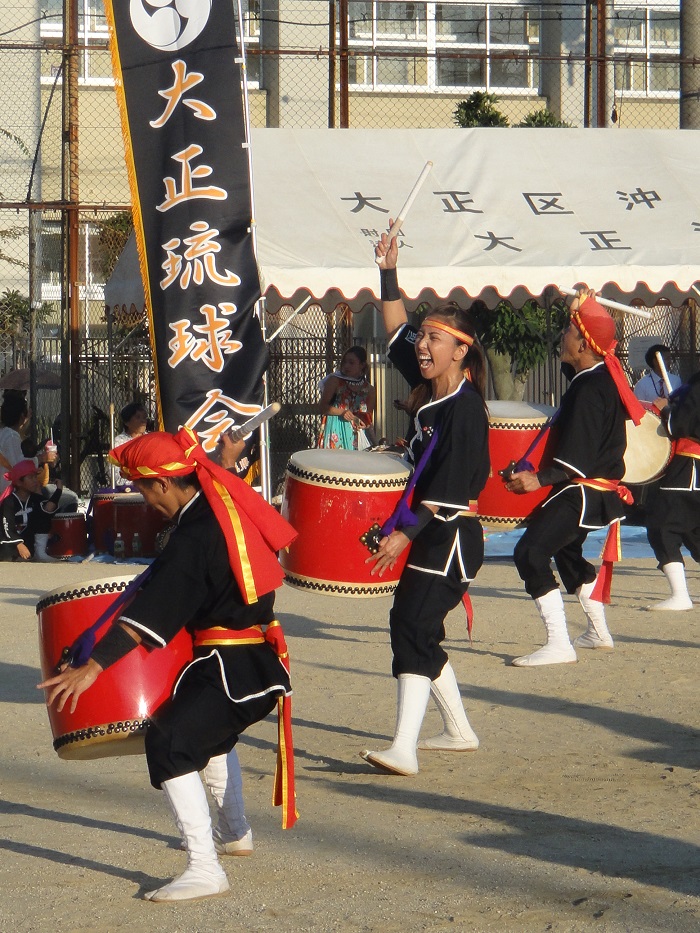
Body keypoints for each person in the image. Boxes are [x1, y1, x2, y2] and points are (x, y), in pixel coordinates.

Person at [38, 427, 298, 902]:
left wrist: (92, 666)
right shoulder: (217, 503)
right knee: (209, 733)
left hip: (233, 665)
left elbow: (152, 615)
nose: (144, 500)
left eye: (141, 488)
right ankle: (236, 834)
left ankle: (205, 868)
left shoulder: (196, 532)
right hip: (243, 659)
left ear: (163, 484)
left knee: (171, 740)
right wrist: (223, 456)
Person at [359, 225, 490, 777]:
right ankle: (458, 730)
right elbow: (394, 331)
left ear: (462, 351)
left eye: (435, 339)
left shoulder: (464, 409)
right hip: (432, 532)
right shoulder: (435, 394)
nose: (422, 346)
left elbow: (452, 489)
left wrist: (403, 533)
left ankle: (404, 749)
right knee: (414, 625)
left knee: (410, 623)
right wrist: (389, 268)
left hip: (452, 536)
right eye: (424, 338)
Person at [505, 290, 646, 665]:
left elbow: (579, 455)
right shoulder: (598, 377)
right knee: (567, 551)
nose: (562, 336)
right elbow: (571, 368)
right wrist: (579, 309)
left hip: (582, 490)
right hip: (597, 492)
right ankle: (597, 631)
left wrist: (541, 479)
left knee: (530, 553)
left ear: (583, 343)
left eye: (569, 329)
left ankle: (559, 643)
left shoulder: (589, 388)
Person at [644, 374, 700, 610]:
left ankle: (680, 595)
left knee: (662, 525)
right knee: (694, 529)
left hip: (689, 463)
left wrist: (665, 409)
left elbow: (679, 426)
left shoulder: (697, 387)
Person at [0, 459, 62, 561]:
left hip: (29, 540)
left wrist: (59, 490)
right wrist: (19, 545)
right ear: (19, 482)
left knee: (42, 517)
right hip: (13, 542)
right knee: (6, 549)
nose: (35, 480)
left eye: (35, 477)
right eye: (30, 477)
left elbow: (48, 508)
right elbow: (7, 527)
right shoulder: (9, 501)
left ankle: (39, 553)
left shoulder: (35, 498)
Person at [317, 347, 376, 450]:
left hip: (356, 435)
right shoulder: (334, 380)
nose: (346, 366)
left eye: (351, 363)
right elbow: (323, 407)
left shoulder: (369, 390)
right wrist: (342, 412)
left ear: (362, 365)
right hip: (335, 429)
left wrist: (364, 423)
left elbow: (368, 418)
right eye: (344, 362)